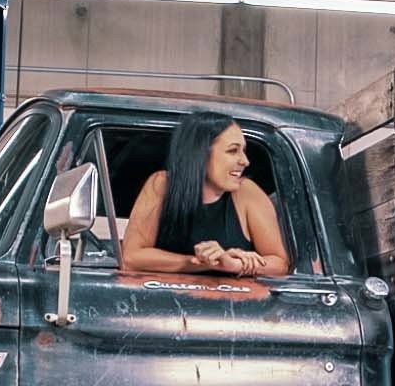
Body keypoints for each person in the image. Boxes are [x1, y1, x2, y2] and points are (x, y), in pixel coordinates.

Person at [119, 112, 288, 277]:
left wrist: (233, 265)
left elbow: (279, 264)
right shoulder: (161, 184)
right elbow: (132, 257)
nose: (245, 161)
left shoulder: (246, 192)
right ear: (200, 153)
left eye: (243, 150)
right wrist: (199, 262)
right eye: (232, 151)